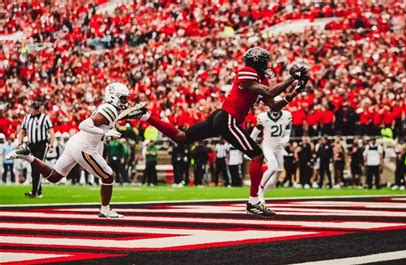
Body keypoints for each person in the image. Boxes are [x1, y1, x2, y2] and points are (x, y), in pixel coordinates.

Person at [134, 47, 309, 217]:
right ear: (257, 63)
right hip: (228, 119)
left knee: (182, 137)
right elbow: (270, 91)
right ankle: (254, 201)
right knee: (257, 155)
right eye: (264, 62)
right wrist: (291, 79)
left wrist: (296, 91)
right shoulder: (247, 71)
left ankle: (145, 115)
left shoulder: (261, 80)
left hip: (222, 118)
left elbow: (274, 105)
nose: (267, 66)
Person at [7, 82, 145, 218]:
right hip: (84, 147)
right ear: (113, 97)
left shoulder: (109, 109)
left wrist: (133, 114)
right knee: (108, 175)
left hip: (75, 143)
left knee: (54, 177)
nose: (125, 101)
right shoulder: (110, 110)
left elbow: (116, 117)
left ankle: (27, 156)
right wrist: (105, 133)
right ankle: (105, 210)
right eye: (123, 98)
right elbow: (84, 124)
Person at [250, 108, 292, 203]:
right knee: (273, 167)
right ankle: (259, 190)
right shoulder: (263, 117)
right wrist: (249, 149)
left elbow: (287, 134)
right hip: (268, 146)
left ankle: (261, 193)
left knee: (278, 172)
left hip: (278, 148)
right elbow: (254, 134)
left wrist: (285, 139)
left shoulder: (286, 115)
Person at [18, 100, 55, 198]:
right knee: (33, 167)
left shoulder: (45, 118)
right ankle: (38, 191)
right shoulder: (27, 118)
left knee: (37, 167)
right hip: (31, 145)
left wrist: (51, 145)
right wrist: (19, 143)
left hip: (41, 145)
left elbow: (51, 132)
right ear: (31, 108)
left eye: (37, 108)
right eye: (34, 108)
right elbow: (22, 131)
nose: (36, 110)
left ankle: (34, 192)